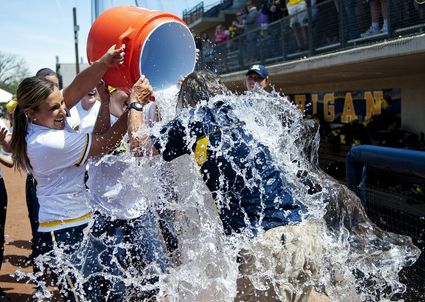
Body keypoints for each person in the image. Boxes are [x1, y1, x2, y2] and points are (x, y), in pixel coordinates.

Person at [127, 70, 330, 301]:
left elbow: (138, 146)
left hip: (265, 245)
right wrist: (194, 87)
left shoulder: (195, 119)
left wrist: (135, 102)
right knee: (305, 295)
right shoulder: (246, 110)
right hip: (305, 232)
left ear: (189, 102)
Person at [9, 45, 128, 301]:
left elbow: (76, 88)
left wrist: (104, 62)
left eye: (62, 103)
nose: (64, 110)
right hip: (64, 232)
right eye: (54, 108)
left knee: (108, 293)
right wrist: (134, 108)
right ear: (31, 113)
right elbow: (104, 144)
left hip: (82, 220)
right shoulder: (46, 143)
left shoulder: (42, 120)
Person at [85, 80, 170, 300]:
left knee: (156, 275)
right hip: (106, 212)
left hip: (140, 211)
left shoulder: (143, 112)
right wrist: (111, 104)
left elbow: (162, 116)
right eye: (127, 89)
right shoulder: (95, 117)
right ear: (113, 90)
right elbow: (100, 149)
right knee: (113, 284)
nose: (133, 92)